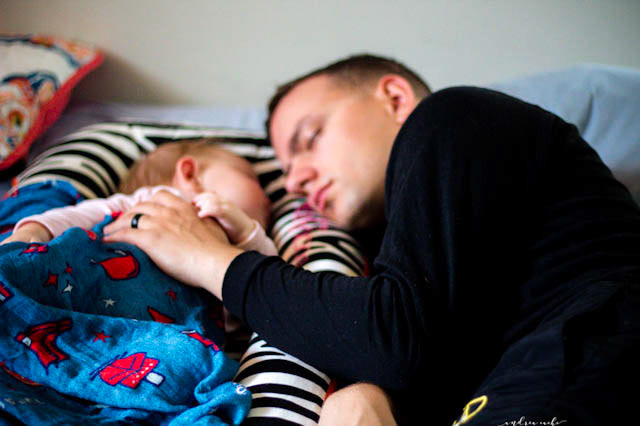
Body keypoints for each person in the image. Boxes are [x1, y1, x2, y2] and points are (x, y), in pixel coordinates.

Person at [102, 55, 640, 425]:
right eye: (285, 169)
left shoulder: (451, 117)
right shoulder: (399, 242)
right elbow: (417, 345)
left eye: (310, 138)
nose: (295, 180)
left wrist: (208, 258)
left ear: (394, 97)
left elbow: (393, 339)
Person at [4, 139, 277, 268]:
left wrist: (247, 233)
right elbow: (86, 214)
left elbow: (262, 284)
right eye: (249, 178)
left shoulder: (235, 245)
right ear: (190, 175)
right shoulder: (154, 201)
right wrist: (35, 230)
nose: (268, 199)